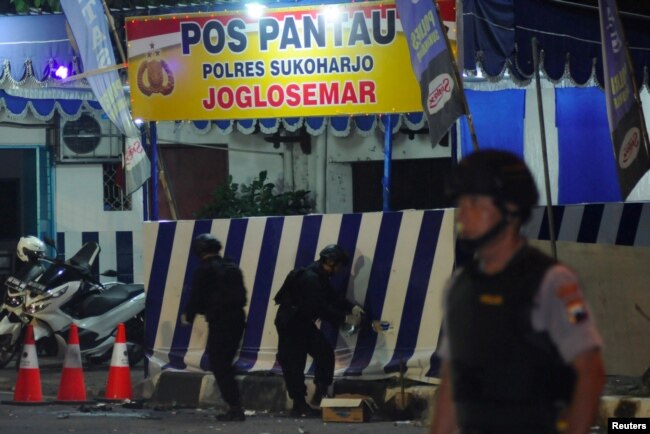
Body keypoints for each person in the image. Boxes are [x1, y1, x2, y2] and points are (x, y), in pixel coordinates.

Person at [430, 150, 605, 434]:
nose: (462, 214)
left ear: (510, 208)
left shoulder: (552, 282)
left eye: (473, 202)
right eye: (460, 203)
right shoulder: (459, 286)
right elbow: (452, 378)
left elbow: (590, 372)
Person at [274, 244, 364, 417]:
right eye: (338, 266)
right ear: (330, 261)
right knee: (295, 364)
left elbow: (332, 298)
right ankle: (299, 405)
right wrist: (345, 318)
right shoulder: (311, 278)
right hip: (291, 325)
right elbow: (322, 308)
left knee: (324, 353)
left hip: (302, 323)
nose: (339, 270)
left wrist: (352, 308)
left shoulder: (319, 276)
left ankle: (319, 396)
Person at [182, 233, 248, 422]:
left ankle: (235, 407)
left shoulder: (204, 270)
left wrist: (189, 315)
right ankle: (235, 406)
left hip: (220, 321)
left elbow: (196, 296)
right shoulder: (232, 266)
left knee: (220, 364)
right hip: (237, 319)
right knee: (225, 362)